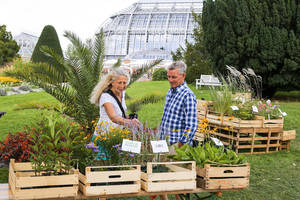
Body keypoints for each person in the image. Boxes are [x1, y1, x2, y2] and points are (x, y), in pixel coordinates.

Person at [90, 68, 140, 159]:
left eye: (124, 83)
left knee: (116, 165)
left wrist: (131, 118)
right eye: (119, 82)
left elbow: (120, 113)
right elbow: (113, 116)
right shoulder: (105, 96)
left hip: (116, 136)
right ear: (112, 82)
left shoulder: (122, 93)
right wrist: (129, 122)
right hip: (105, 136)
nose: (122, 85)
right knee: (103, 166)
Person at [160, 61, 198, 149]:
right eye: (169, 76)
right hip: (164, 143)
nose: (170, 80)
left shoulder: (187, 95)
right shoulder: (170, 91)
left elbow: (192, 125)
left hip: (177, 146)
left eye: (174, 77)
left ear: (183, 76)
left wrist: (181, 144)